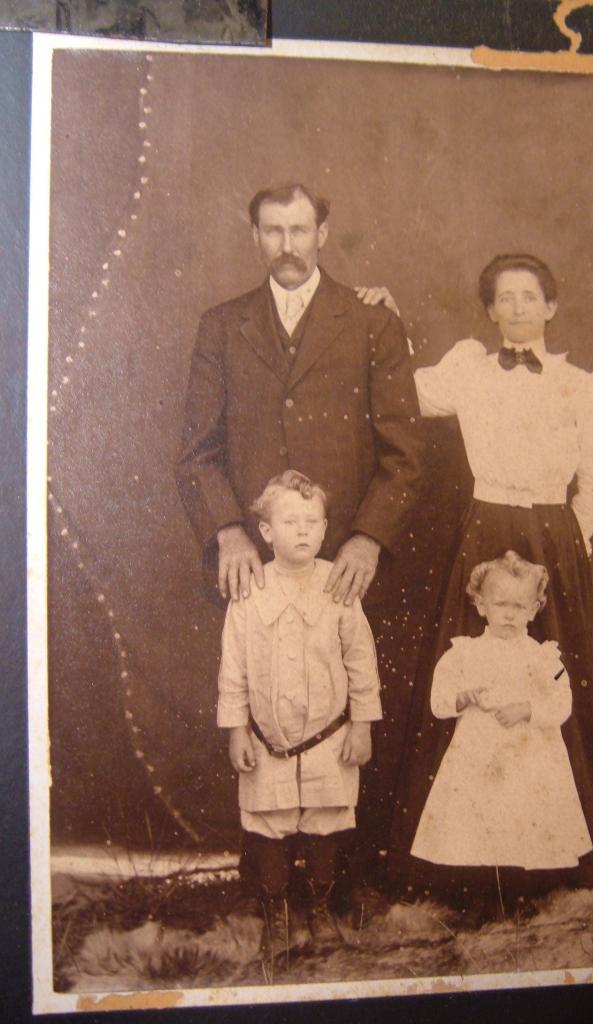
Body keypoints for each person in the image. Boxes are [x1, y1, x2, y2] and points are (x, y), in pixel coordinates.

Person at [176, 182, 425, 893]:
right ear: (253, 235)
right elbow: (196, 450)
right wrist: (227, 530)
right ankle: (268, 894)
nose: (287, 245)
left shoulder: (371, 322)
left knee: (344, 707)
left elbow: (406, 450)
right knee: (259, 703)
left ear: (323, 231)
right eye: (272, 231)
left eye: (299, 229)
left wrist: (368, 538)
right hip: (256, 563)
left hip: (344, 561)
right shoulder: (222, 326)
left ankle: (342, 889)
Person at [391, 252, 593, 892]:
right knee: (472, 666)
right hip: (485, 526)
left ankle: (573, 853)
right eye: (505, 298)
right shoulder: (468, 371)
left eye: (530, 297)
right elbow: (401, 388)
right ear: (490, 311)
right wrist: (387, 324)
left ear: (550, 306)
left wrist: (569, 543)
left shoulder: (582, 384)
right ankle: (456, 859)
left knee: (551, 675)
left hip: (553, 534)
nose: (518, 308)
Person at [217, 470, 382, 966]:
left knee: (326, 822)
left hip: (329, 740)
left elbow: (361, 662)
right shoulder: (250, 592)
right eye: (290, 521)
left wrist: (363, 724)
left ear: (327, 528)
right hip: (269, 742)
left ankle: (320, 910)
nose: (304, 531)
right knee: (271, 824)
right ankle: (278, 917)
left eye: (313, 521)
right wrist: (236, 730)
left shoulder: (338, 586)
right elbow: (233, 668)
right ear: (265, 531)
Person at [410, 551, 592, 920]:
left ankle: (517, 894)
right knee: (479, 816)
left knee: (522, 815)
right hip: (478, 754)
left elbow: (562, 702)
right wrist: (464, 697)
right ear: (480, 604)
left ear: (534, 608)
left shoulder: (544, 658)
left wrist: (528, 709)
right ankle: (482, 896)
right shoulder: (463, 653)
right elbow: (438, 701)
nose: (509, 614)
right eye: (500, 604)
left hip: (528, 755)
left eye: (519, 605)